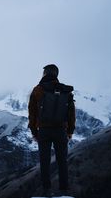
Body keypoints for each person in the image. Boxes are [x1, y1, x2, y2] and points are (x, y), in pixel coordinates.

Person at [28, 64, 76, 196]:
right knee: (62, 160)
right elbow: (71, 113)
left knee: (44, 161)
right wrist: (70, 131)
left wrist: (34, 131)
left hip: (44, 130)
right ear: (56, 74)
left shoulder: (38, 89)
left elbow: (32, 113)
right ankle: (64, 190)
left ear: (45, 74)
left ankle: (46, 190)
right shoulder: (65, 91)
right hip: (61, 130)